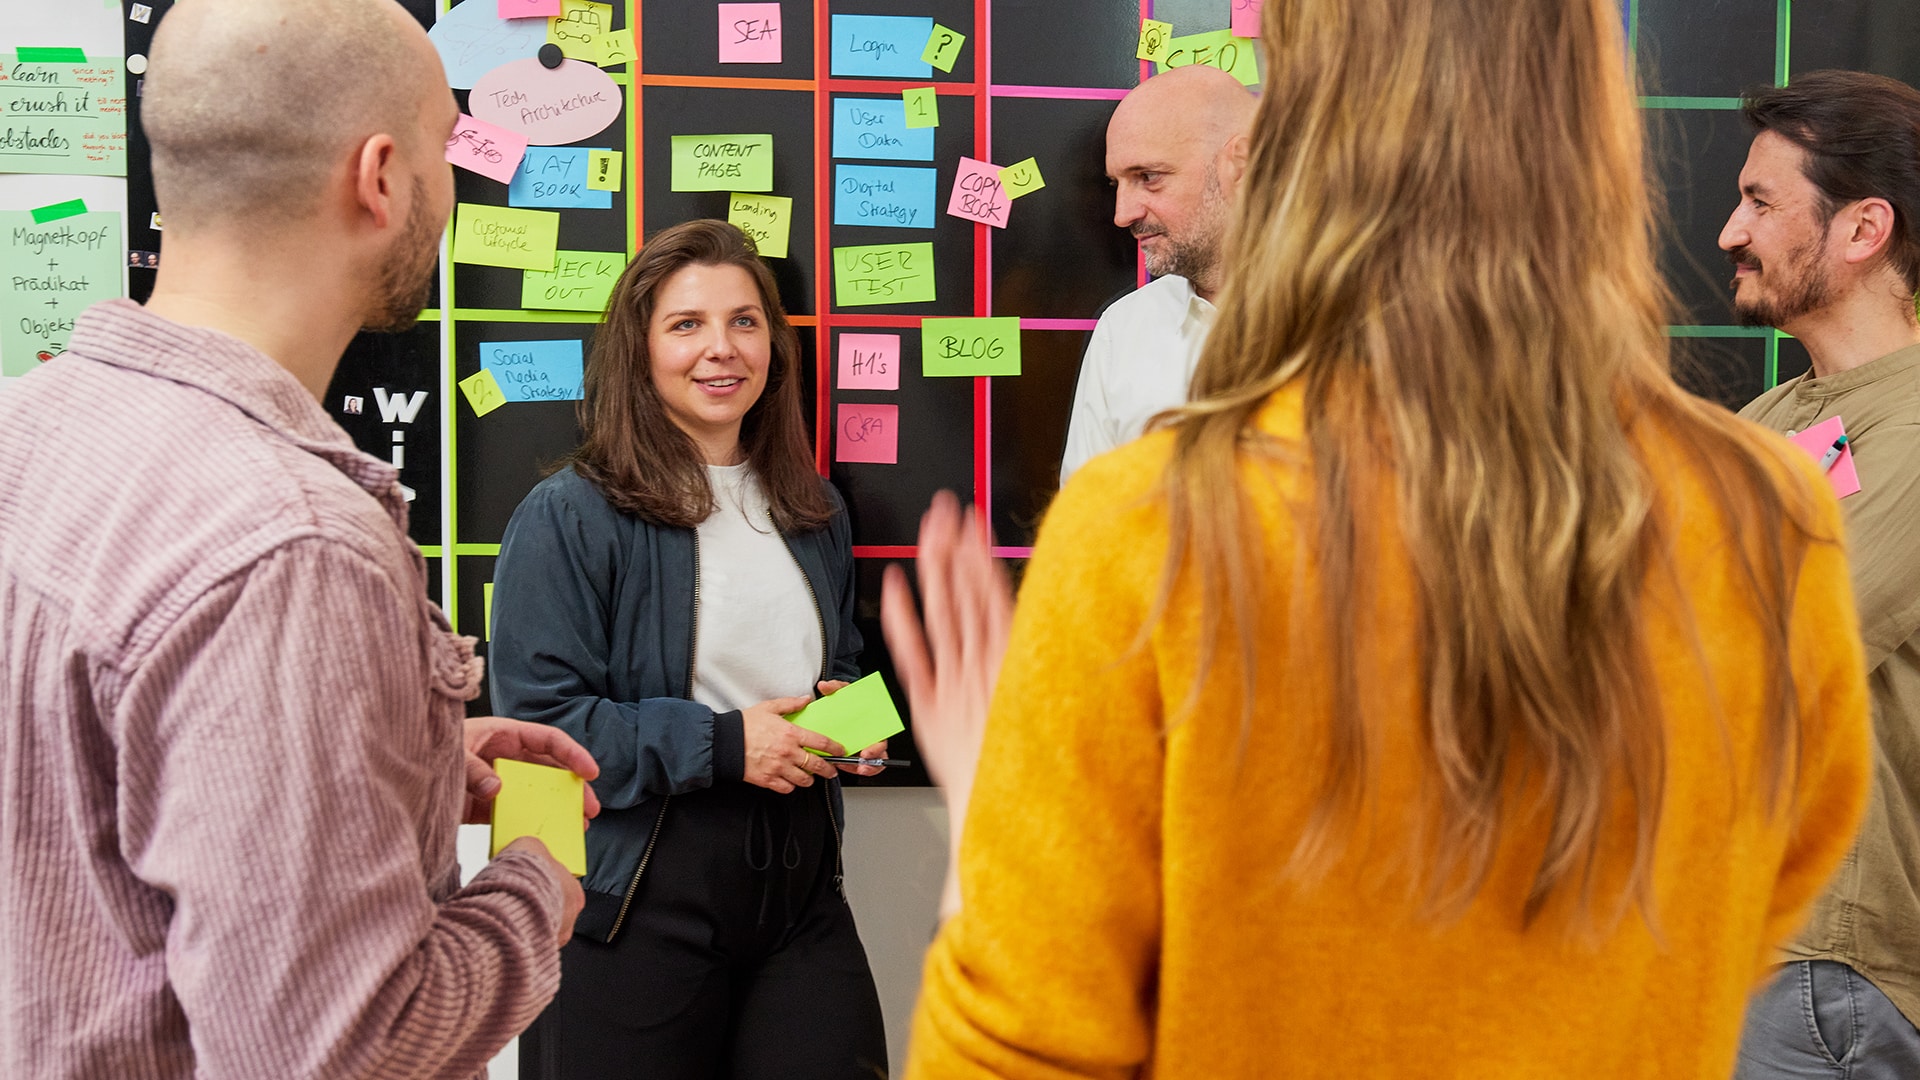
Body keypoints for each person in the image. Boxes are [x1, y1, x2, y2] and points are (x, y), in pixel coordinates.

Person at [887, 0, 1876, 1076]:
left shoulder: (1150, 531)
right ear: (1595, 124)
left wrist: (993, 821)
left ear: (1301, 140)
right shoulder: (1770, 524)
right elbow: (1752, 912)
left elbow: (1015, 1054)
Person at [0, 1, 599, 1077]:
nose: (456, 185)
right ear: (379, 177)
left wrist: (395, 769)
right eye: (445, 148)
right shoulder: (294, 547)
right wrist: (532, 887)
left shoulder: (28, 426)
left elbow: (91, 795)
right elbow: (336, 1051)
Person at [490, 220, 889, 1080]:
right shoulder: (569, 515)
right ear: (638, 349)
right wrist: (725, 744)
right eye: (687, 325)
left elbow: (842, 660)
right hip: (633, 901)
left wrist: (857, 720)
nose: (723, 349)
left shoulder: (813, 507)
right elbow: (539, 728)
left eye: (746, 322)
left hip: (800, 894)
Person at [1721, 71, 1920, 1079]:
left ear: (1862, 229)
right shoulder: (1769, 423)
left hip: (1840, 974)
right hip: (1750, 944)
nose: (1727, 232)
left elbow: (1779, 657)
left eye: (1759, 203)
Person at [1058, 64, 1256, 482]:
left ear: (1241, 164)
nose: (1122, 215)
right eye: (1116, 184)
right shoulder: (1122, 330)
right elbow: (1088, 529)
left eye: (1148, 178)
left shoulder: (1359, 322)